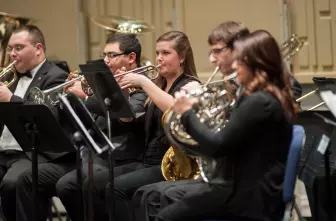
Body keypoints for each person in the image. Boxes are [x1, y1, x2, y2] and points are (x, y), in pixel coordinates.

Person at [154, 29, 299, 221]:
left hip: (248, 196)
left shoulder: (260, 101)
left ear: (256, 64)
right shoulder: (263, 96)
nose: (235, 66)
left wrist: (187, 114)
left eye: (240, 61)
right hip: (242, 186)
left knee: (165, 216)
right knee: (161, 198)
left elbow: (217, 147)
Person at [81, 31, 199, 221]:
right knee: (92, 184)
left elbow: (176, 109)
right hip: (148, 159)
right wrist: (123, 94)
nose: (159, 58)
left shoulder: (191, 85)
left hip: (173, 164)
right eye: (158, 53)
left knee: (116, 188)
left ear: (182, 57)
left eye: (166, 53)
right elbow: (130, 120)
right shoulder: (158, 86)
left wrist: (144, 82)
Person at [0, 24, 72, 221]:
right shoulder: (10, 78)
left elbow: (47, 117)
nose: (12, 54)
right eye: (10, 48)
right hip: (4, 152)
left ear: (38, 49)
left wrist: (10, 99)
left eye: (19, 48)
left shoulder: (55, 77)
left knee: (12, 182)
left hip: (33, 154)